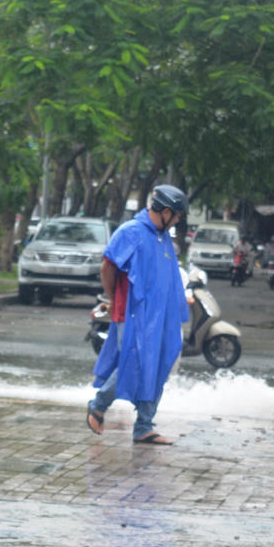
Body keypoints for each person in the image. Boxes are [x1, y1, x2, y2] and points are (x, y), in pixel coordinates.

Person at [85, 184, 190, 445]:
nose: (176, 221)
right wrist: (112, 298)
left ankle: (144, 426)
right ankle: (98, 405)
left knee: (160, 363)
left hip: (161, 317)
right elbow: (107, 267)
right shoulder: (130, 232)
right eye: (176, 216)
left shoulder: (163, 236)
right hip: (133, 314)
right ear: (166, 211)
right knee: (136, 362)